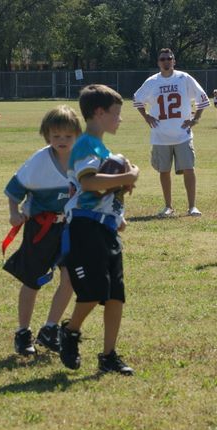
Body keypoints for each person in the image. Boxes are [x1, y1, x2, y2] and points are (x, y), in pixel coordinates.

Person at [59, 84, 139, 375]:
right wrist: (128, 176)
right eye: (116, 113)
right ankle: (70, 331)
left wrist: (119, 193)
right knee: (93, 292)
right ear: (99, 113)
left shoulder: (102, 148)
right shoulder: (86, 146)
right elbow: (90, 182)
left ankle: (108, 355)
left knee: (115, 295)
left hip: (106, 228)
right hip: (85, 226)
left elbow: (103, 189)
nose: (120, 119)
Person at [3, 105, 82, 356]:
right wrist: (14, 212)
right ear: (46, 135)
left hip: (70, 228)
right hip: (41, 228)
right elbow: (15, 189)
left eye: (68, 135)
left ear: (77, 136)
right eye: (56, 135)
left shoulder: (83, 160)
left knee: (70, 278)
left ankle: (50, 328)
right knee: (32, 280)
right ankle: (23, 332)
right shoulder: (38, 161)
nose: (62, 140)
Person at [133, 48, 209, 217]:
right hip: (160, 135)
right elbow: (137, 99)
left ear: (174, 60)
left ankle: (192, 206)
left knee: (189, 169)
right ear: (158, 62)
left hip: (182, 133)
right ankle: (168, 206)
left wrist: (195, 119)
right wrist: (146, 116)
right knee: (164, 171)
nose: (166, 61)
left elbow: (202, 98)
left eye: (169, 58)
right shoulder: (152, 81)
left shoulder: (184, 78)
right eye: (163, 59)